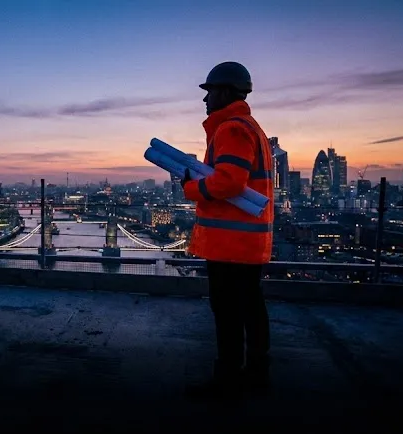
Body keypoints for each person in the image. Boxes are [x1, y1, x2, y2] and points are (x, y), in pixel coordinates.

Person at [181, 61, 275, 400]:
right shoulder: (253, 128)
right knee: (250, 307)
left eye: (209, 93)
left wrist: (190, 187)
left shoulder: (231, 129)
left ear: (224, 92)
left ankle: (228, 382)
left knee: (228, 312)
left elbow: (229, 181)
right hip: (247, 241)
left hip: (229, 244)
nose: (205, 102)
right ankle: (256, 374)